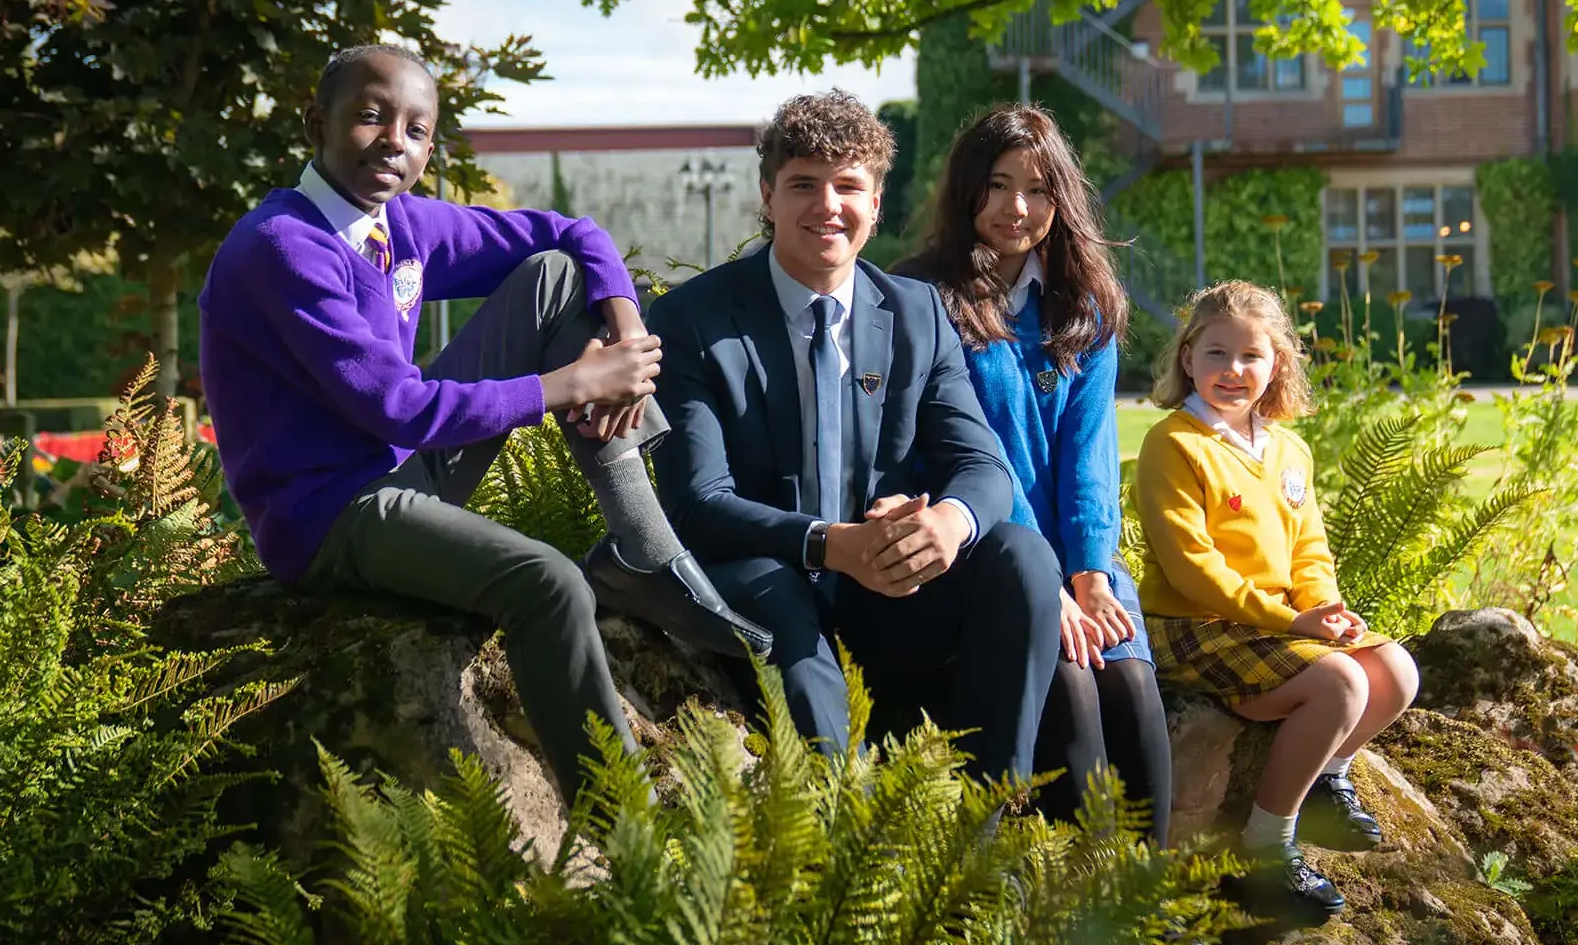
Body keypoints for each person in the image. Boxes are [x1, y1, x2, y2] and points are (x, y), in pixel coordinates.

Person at [197, 43, 770, 801]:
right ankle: (624, 827)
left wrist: (626, 335)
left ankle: (642, 543)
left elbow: (575, 235)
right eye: (370, 117)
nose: (393, 143)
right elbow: (395, 406)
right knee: (551, 584)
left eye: (416, 130)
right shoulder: (281, 248)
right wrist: (570, 384)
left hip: (404, 468)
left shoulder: (397, 224)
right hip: (334, 515)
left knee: (556, 278)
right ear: (317, 123)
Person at [648, 90, 1062, 784]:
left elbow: (984, 465)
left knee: (1022, 558)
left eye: (848, 187)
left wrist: (945, 526)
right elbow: (696, 504)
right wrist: (831, 544)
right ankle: (844, 836)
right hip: (763, 577)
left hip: (888, 588)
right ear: (767, 195)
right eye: (804, 185)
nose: (827, 206)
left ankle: (991, 835)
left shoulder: (917, 311)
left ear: (875, 202)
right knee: (784, 604)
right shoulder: (692, 319)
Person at [898, 106, 1172, 844]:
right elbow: (973, 454)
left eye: (1039, 188)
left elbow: (1090, 455)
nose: (1017, 208)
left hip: (1073, 555)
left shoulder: (1082, 307)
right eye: (998, 185)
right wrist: (1044, 587)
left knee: (1132, 682)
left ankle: (1148, 903)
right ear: (966, 192)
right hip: (986, 550)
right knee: (1074, 688)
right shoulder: (921, 301)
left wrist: (1090, 574)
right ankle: (1083, 922)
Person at [1132, 280, 1420, 914]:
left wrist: (1327, 612)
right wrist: (1293, 621)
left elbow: (1308, 551)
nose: (1232, 371)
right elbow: (1192, 571)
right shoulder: (1175, 445)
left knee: (1395, 671)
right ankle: (1266, 850)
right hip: (1196, 623)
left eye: (1250, 356)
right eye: (1215, 354)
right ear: (1187, 359)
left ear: (1277, 365)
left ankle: (1327, 779)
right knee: (1341, 684)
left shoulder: (1289, 449)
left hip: (1275, 624)